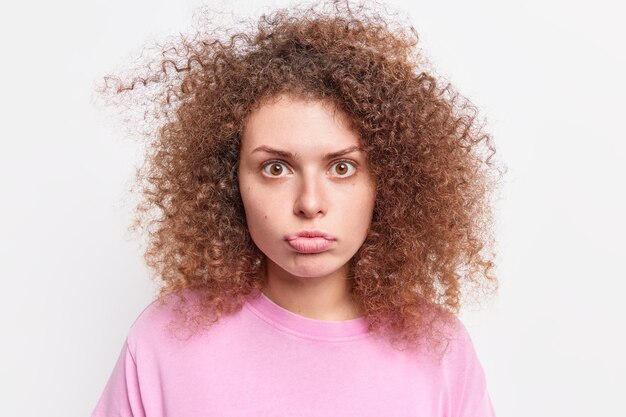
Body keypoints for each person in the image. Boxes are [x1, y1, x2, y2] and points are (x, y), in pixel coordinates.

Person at [92, 0, 503, 415]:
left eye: (342, 168)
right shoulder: (164, 340)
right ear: (228, 181)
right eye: (276, 168)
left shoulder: (440, 352)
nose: (309, 203)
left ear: (389, 181)